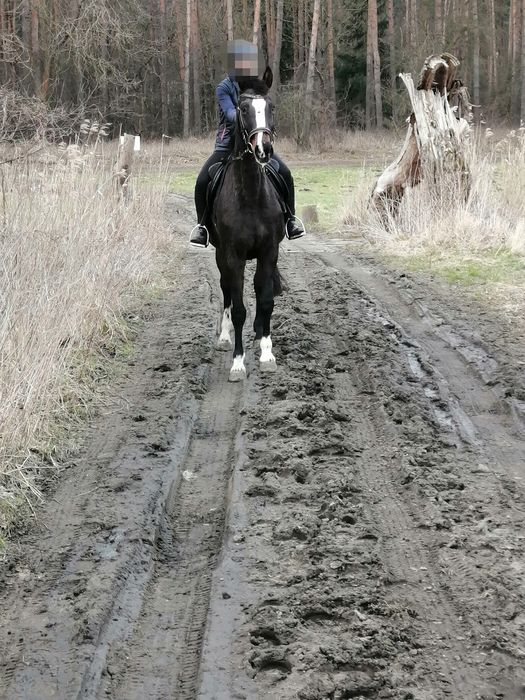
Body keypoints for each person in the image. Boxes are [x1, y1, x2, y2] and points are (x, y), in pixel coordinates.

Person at [190, 39, 306, 248]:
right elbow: (229, 113)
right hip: (228, 145)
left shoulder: (256, 84)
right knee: (201, 181)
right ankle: (203, 227)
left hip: (257, 141)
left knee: (286, 173)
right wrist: (247, 115)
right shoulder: (223, 88)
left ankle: (290, 220)